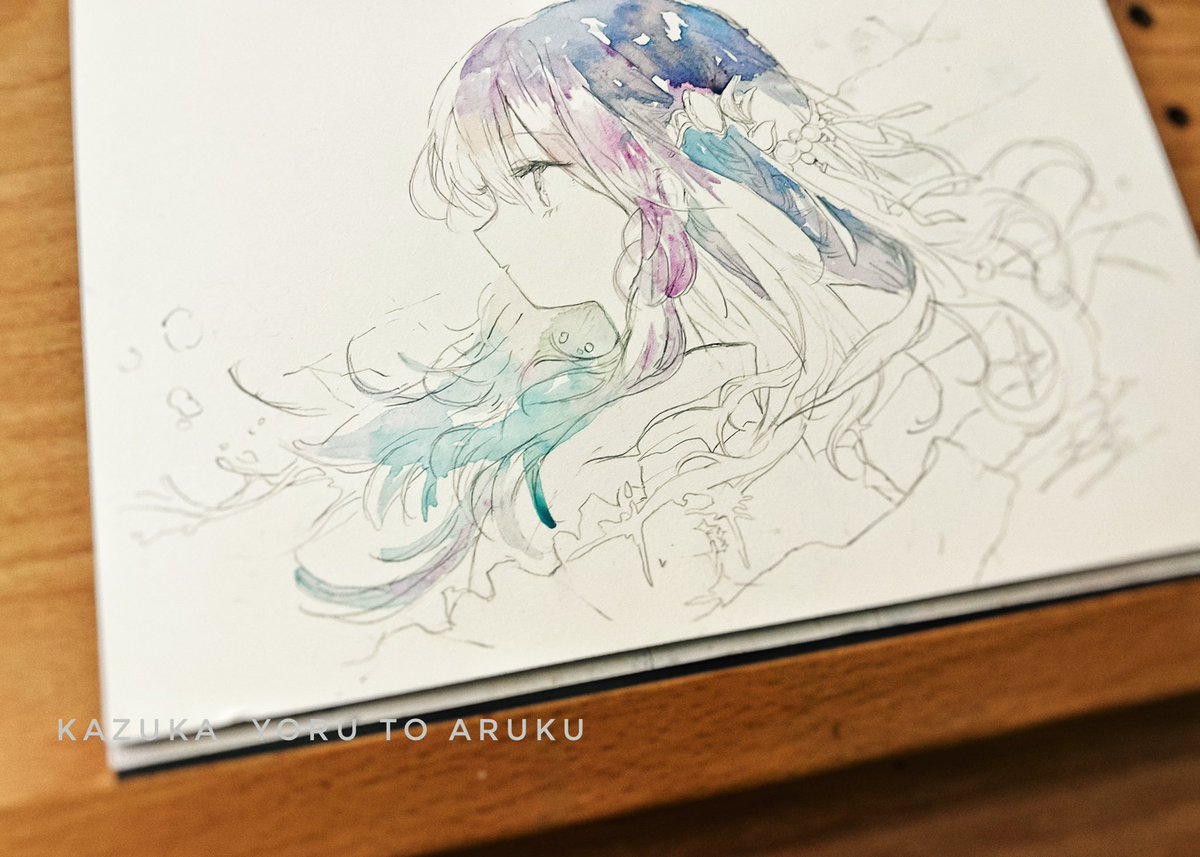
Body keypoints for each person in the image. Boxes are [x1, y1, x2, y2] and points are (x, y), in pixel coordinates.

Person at [292, 0, 1113, 626]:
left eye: (533, 178)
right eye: (485, 194)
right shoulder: (589, 374)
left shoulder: (868, 384)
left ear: (668, 167)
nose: (491, 229)